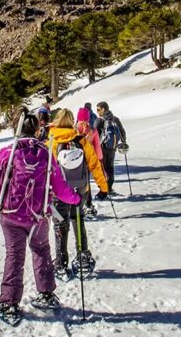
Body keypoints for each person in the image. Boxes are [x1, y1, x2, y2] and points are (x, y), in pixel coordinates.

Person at [0, 107, 82, 323]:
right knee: (41, 251)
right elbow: (59, 186)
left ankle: (9, 302)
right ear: (37, 130)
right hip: (38, 216)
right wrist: (75, 199)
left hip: (11, 214)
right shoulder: (45, 152)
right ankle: (46, 293)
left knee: (15, 256)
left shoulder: (8, 152)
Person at [48, 109, 108, 278]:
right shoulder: (80, 140)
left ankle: (60, 264)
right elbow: (95, 164)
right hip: (79, 190)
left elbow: (46, 170)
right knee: (78, 219)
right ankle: (82, 256)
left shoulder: (51, 142)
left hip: (58, 194)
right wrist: (103, 187)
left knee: (60, 225)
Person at [93, 101, 126, 199]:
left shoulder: (99, 120)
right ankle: (110, 188)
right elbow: (122, 131)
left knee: (102, 168)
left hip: (102, 148)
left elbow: (95, 135)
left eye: (98, 109)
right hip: (112, 147)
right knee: (110, 168)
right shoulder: (115, 119)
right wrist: (123, 143)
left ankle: (103, 190)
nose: (97, 111)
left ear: (103, 109)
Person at [76, 107, 102, 218]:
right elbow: (97, 147)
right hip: (87, 161)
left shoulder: (74, 129)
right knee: (86, 183)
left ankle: (75, 203)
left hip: (74, 161)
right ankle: (88, 204)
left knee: (74, 182)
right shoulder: (92, 130)